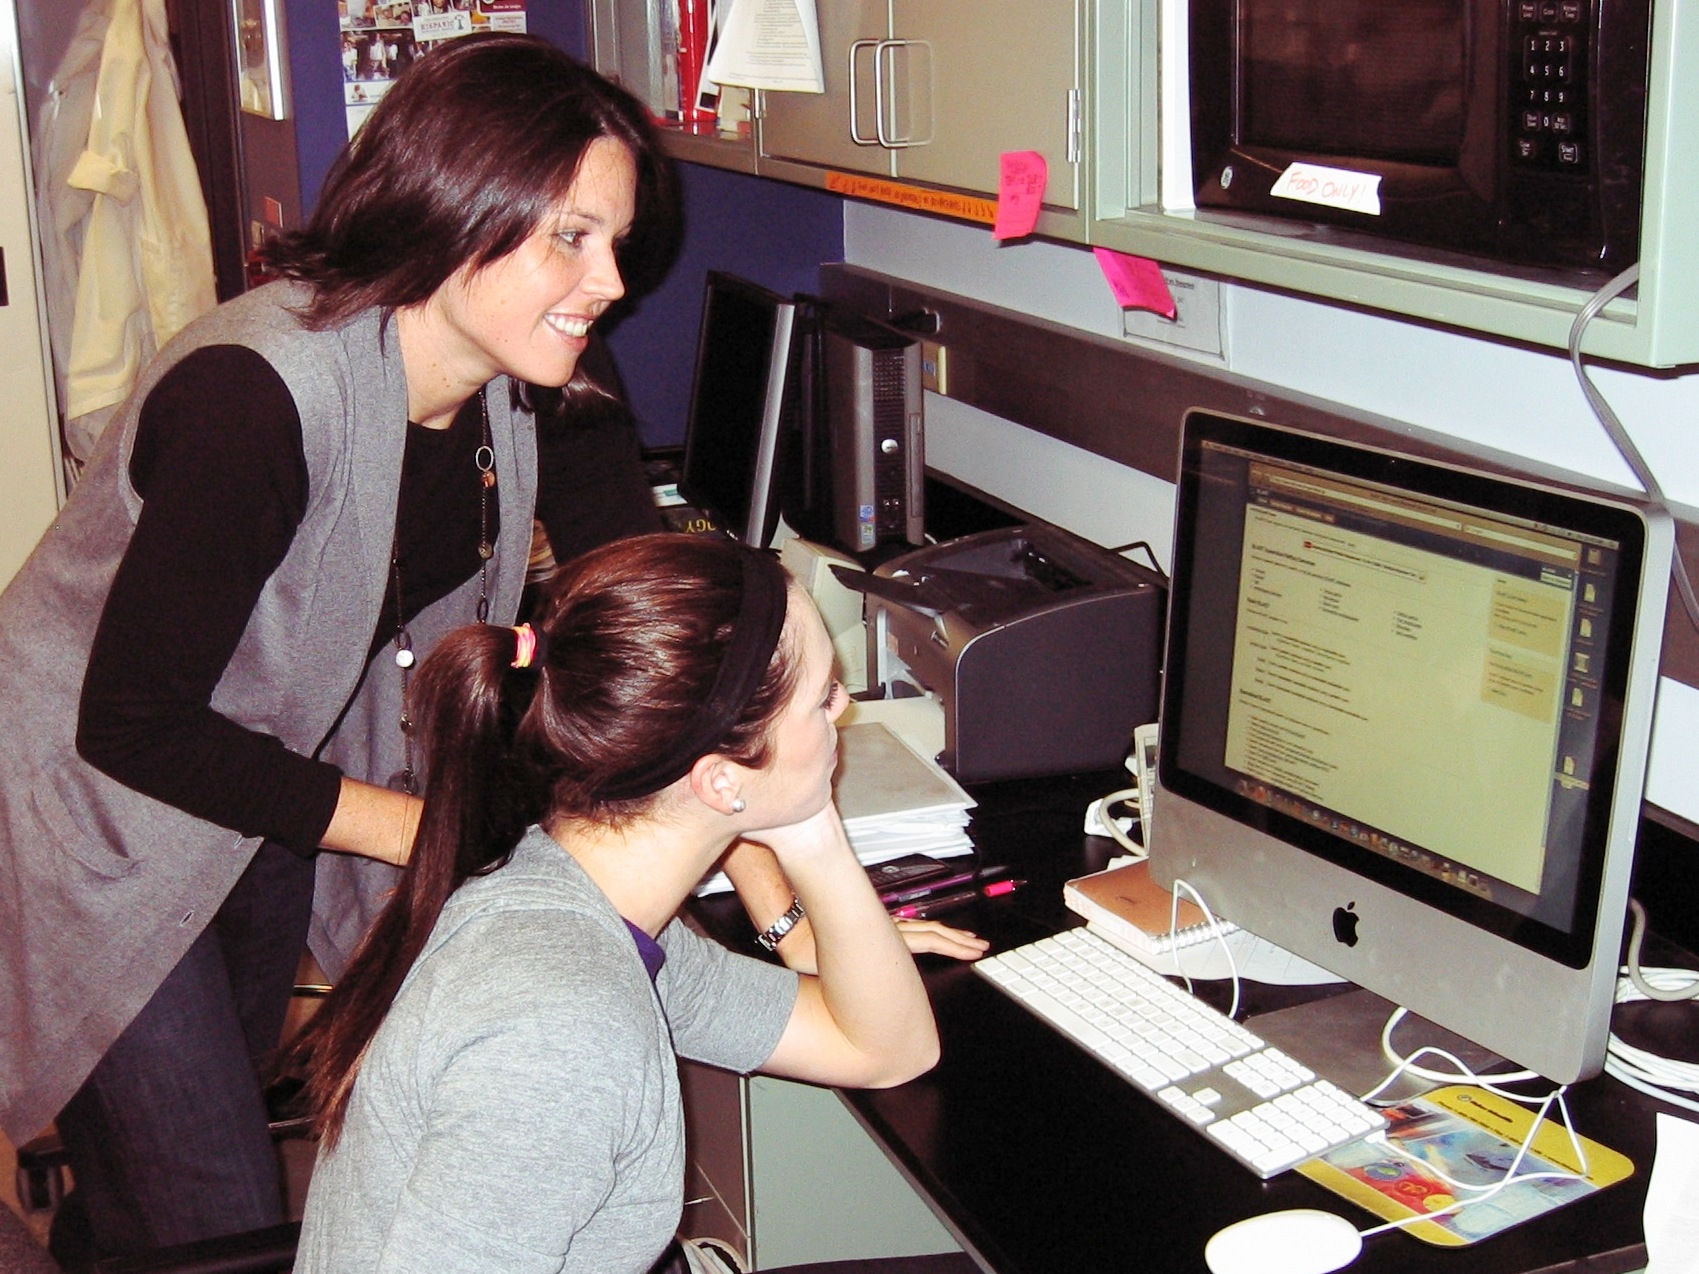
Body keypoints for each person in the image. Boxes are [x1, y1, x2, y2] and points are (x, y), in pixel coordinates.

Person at [0, 33, 677, 1266]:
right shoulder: (253, 401)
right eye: (571, 237)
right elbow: (132, 721)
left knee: (148, 1183)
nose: (609, 282)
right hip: (97, 799)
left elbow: (644, 608)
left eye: (615, 241)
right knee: (217, 1206)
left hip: (258, 766)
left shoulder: (544, 371)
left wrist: (787, 855)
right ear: (453, 208)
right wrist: (425, 828)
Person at [292, 533, 976, 1273]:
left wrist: (810, 834)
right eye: (821, 700)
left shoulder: (578, 897)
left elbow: (886, 1050)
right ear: (717, 781)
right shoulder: (558, 1029)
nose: (842, 712)